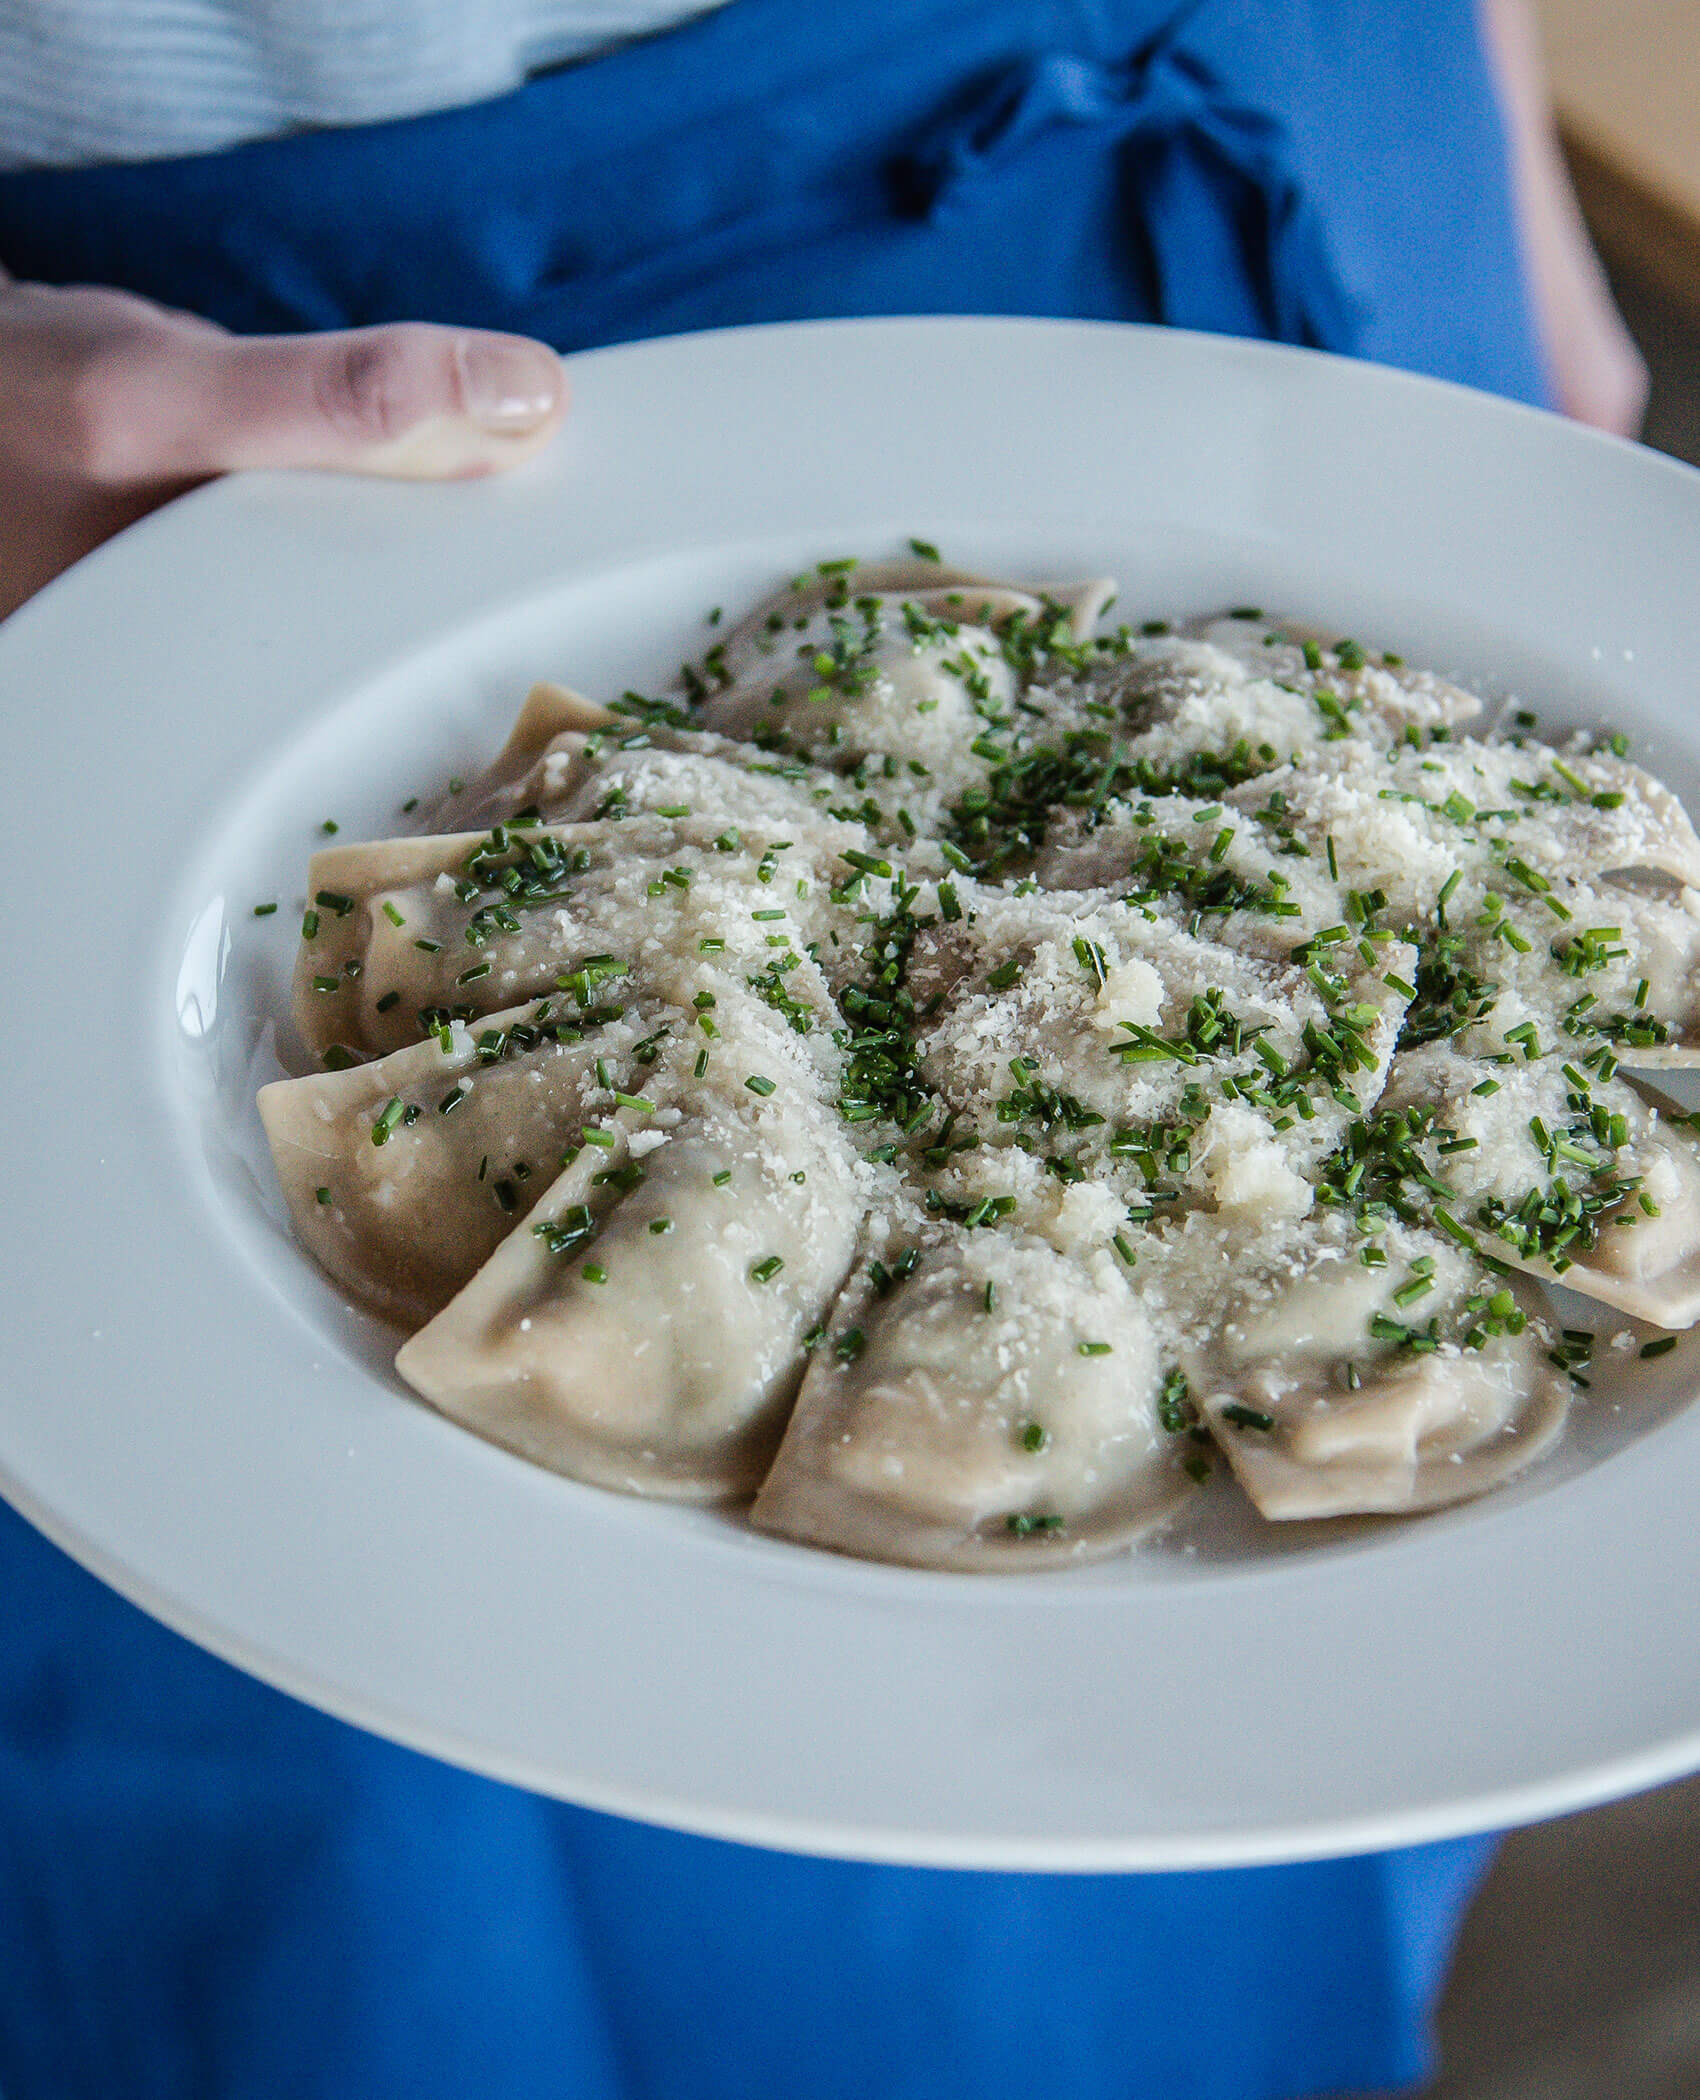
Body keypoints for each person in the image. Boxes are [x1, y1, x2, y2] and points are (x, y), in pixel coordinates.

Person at [0, 4, 1649, 2095]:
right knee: (378, 1909)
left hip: (1313, 168)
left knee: (1226, 1840)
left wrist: (1484, 122)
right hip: (211, 418)